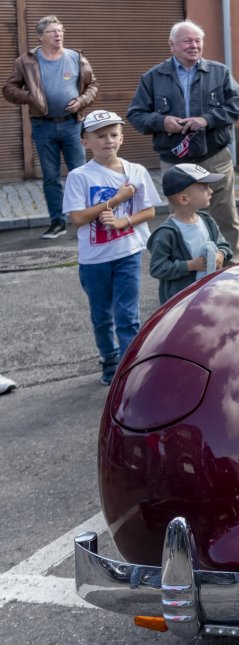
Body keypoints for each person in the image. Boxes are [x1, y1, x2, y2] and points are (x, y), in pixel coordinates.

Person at [127, 20, 239, 261]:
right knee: (184, 221)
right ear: (172, 45)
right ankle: (189, 278)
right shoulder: (152, 77)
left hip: (214, 157)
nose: (194, 45)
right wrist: (162, 122)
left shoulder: (219, 72)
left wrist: (207, 119)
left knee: (225, 219)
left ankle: (233, 272)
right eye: (187, 41)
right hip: (176, 163)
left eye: (198, 40)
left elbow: (236, 106)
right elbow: (135, 115)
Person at [62, 111, 160, 385]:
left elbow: (150, 210)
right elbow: (78, 218)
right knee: (102, 317)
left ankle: (129, 370)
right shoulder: (79, 177)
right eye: (100, 136)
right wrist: (115, 200)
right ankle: (109, 360)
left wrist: (123, 221)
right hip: (94, 261)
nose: (108, 141)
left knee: (127, 316)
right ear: (85, 142)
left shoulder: (136, 172)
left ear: (122, 138)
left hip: (127, 254)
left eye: (114, 135)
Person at [2, 16, 98, 240]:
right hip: (43, 127)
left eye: (61, 31)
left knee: (80, 173)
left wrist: (81, 101)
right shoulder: (26, 61)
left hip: (72, 125)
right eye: (53, 32)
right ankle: (57, 222)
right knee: (51, 177)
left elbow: (93, 85)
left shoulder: (76, 57)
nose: (58, 35)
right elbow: (8, 89)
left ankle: (87, 220)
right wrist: (31, 97)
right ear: (40, 37)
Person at [148, 164, 233, 304]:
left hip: (208, 294)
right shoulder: (166, 233)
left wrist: (221, 254)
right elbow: (157, 268)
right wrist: (190, 265)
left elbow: (224, 245)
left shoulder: (207, 221)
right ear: (184, 199)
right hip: (180, 302)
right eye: (204, 187)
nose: (210, 191)